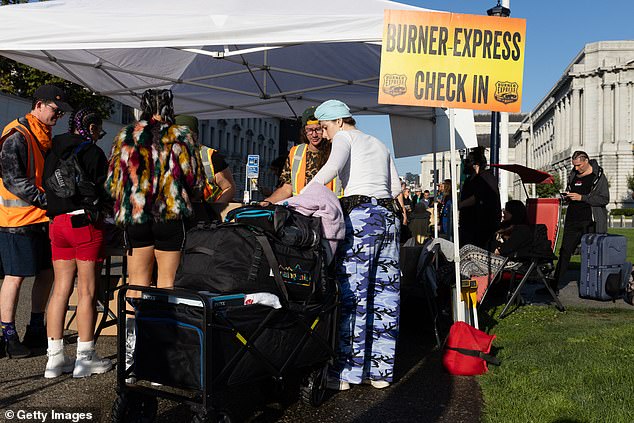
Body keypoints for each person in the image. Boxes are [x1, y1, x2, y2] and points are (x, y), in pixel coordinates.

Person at [106, 89, 205, 382]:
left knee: (135, 285)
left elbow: (112, 181)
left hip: (136, 216)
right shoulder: (182, 135)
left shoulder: (125, 135)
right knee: (166, 285)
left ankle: (130, 357)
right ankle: (161, 360)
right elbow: (195, 179)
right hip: (169, 215)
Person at [308, 99, 403, 390]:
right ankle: (380, 373)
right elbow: (397, 187)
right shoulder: (378, 142)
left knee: (354, 293)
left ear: (337, 122)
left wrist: (304, 194)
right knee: (385, 295)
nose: (322, 134)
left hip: (361, 217)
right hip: (388, 218)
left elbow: (332, 170)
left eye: (324, 127)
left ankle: (347, 373)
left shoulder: (344, 137)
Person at [0, 85, 72, 358]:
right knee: (15, 277)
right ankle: (8, 335)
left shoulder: (43, 135)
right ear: (39, 105)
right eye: (56, 109)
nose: (59, 115)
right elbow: (14, 181)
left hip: (41, 219)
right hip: (16, 221)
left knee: (46, 274)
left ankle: (35, 327)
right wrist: (50, 202)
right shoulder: (16, 136)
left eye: (62, 111)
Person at [42, 108, 112, 378]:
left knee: (60, 289)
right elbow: (107, 191)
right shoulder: (92, 152)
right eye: (98, 128)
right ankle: (85, 357)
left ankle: (55, 358)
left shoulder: (53, 150)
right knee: (86, 291)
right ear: (91, 127)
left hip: (57, 224)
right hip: (84, 225)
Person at [539, 151, 609, 294]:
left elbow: (604, 199)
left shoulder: (599, 176)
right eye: (574, 165)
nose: (576, 168)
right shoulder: (573, 175)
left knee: (591, 254)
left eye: (578, 165)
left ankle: (593, 287)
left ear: (586, 161)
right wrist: (567, 197)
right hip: (572, 220)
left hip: (590, 221)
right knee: (565, 251)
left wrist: (582, 198)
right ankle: (553, 287)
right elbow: (571, 192)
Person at [262, 106, 343, 204]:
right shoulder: (296, 152)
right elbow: (287, 188)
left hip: (331, 210)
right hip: (302, 211)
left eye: (318, 129)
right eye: (309, 130)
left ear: (325, 129)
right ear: (304, 131)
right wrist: (268, 201)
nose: (314, 135)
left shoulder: (338, 150)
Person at [175, 115, 236, 204]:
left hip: (207, 214)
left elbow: (229, 188)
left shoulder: (210, 157)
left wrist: (216, 210)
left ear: (195, 136)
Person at [458, 149, 501, 249]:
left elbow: (479, 197)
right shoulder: (472, 179)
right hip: (470, 226)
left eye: (468, 161)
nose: (465, 164)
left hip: (480, 227)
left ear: (475, 164)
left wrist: (460, 205)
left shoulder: (485, 177)